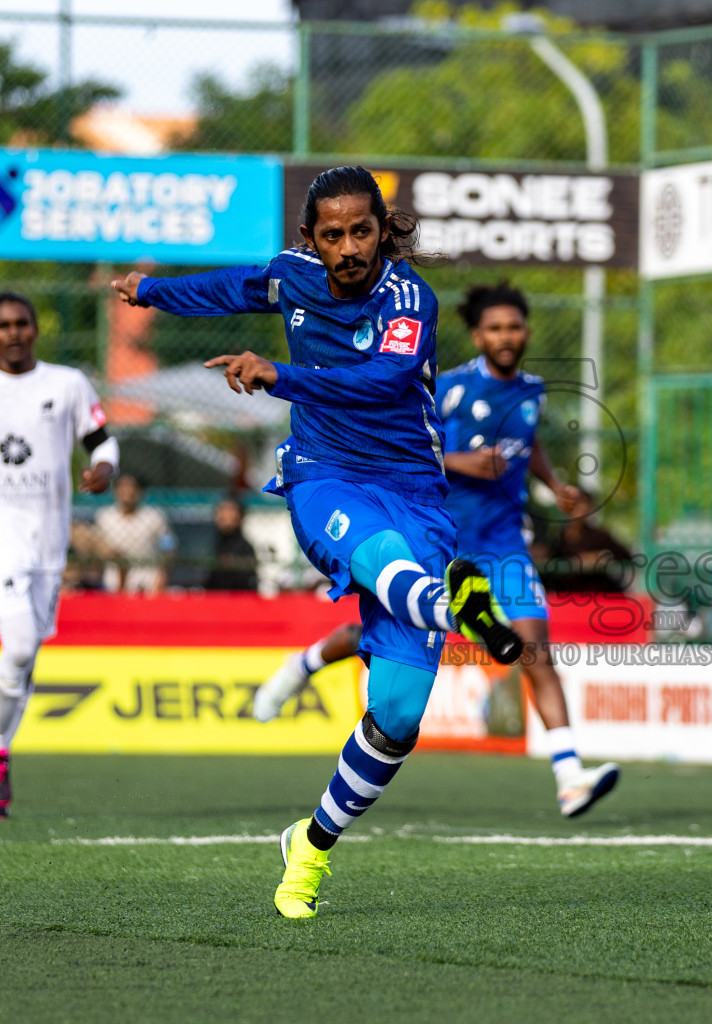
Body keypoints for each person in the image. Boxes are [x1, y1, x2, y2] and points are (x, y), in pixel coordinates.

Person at [109, 166, 523, 919]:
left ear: (382, 228)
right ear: (311, 239)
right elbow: (233, 286)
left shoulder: (410, 301)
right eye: (331, 235)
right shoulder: (293, 276)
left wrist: (279, 377)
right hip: (324, 478)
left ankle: (311, 842)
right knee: (380, 559)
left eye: (361, 230)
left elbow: (382, 382)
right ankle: (454, 607)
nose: (347, 247)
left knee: (397, 715)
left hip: (412, 491)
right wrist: (153, 291)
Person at [253, 282, 622, 818]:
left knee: (534, 649)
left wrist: (552, 484)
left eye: (514, 327)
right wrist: (467, 464)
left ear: (527, 332)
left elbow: (529, 438)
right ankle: (304, 664)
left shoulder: (534, 391)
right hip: (437, 539)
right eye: (495, 328)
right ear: (477, 335)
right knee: (381, 633)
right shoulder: (446, 389)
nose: (506, 336)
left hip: (501, 547)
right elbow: (404, 446)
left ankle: (570, 778)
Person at [0, 291, 118, 820]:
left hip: (48, 546)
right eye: (3, 325)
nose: (13, 333)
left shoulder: (67, 384)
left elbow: (102, 441)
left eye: (22, 324)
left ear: (35, 330)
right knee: (20, 642)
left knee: (26, 655)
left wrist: (103, 469)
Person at [540, 486, 635, 595]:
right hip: (566, 597)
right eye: (575, 504)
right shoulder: (558, 538)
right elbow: (547, 564)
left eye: (583, 504)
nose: (579, 509)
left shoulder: (600, 536)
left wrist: (602, 557)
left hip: (597, 595)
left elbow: (625, 555)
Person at [95, 474, 173, 594]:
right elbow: (97, 548)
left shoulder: (154, 517)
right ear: (116, 491)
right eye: (123, 487)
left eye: (132, 487)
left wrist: (162, 573)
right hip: (113, 578)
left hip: (148, 575)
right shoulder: (105, 517)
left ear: (140, 491)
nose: (128, 491)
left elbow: (168, 546)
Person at [204, 496, 259, 591]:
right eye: (221, 510)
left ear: (239, 516)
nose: (223, 515)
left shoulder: (244, 548)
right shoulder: (212, 543)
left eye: (229, 511)